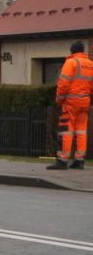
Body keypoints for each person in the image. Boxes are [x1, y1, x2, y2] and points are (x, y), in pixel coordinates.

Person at [47, 40, 93, 170]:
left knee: (66, 131)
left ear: (72, 51)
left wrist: (59, 100)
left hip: (70, 103)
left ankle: (62, 160)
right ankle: (79, 160)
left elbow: (63, 84)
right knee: (81, 131)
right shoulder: (90, 64)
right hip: (84, 103)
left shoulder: (71, 62)